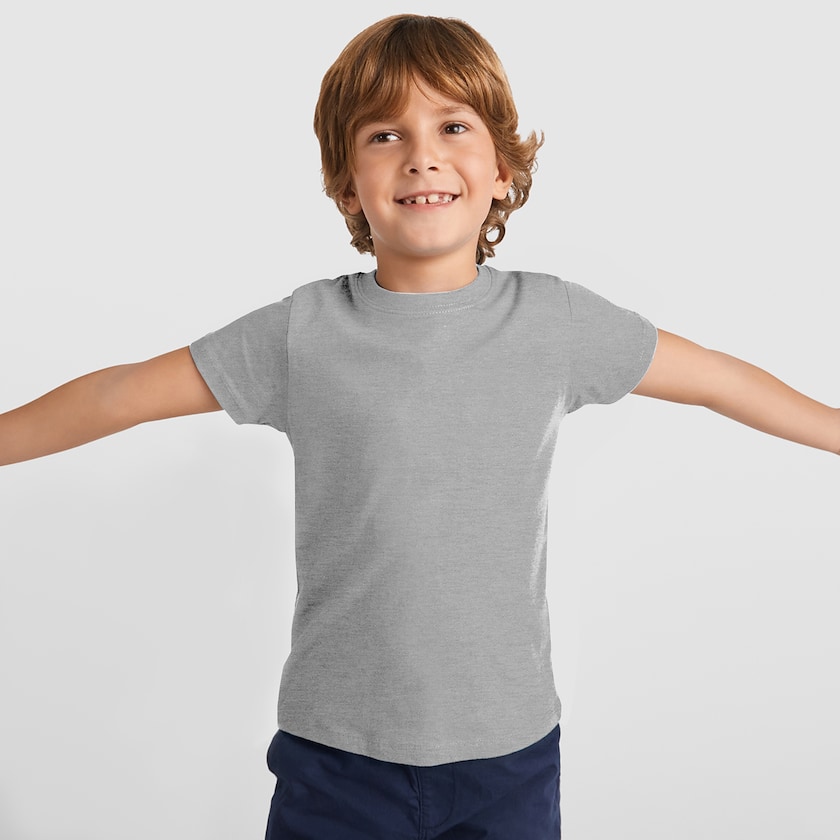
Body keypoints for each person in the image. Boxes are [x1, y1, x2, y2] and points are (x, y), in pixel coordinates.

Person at [1, 13, 837, 840]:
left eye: (452, 126)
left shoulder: (554, 322)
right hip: (337, 758)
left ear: (502, 169)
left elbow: (720, 380)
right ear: (346, 187)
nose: (421, 155)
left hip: (507, 755)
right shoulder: (302, 333)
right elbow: (118, 394)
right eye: (384, 135)